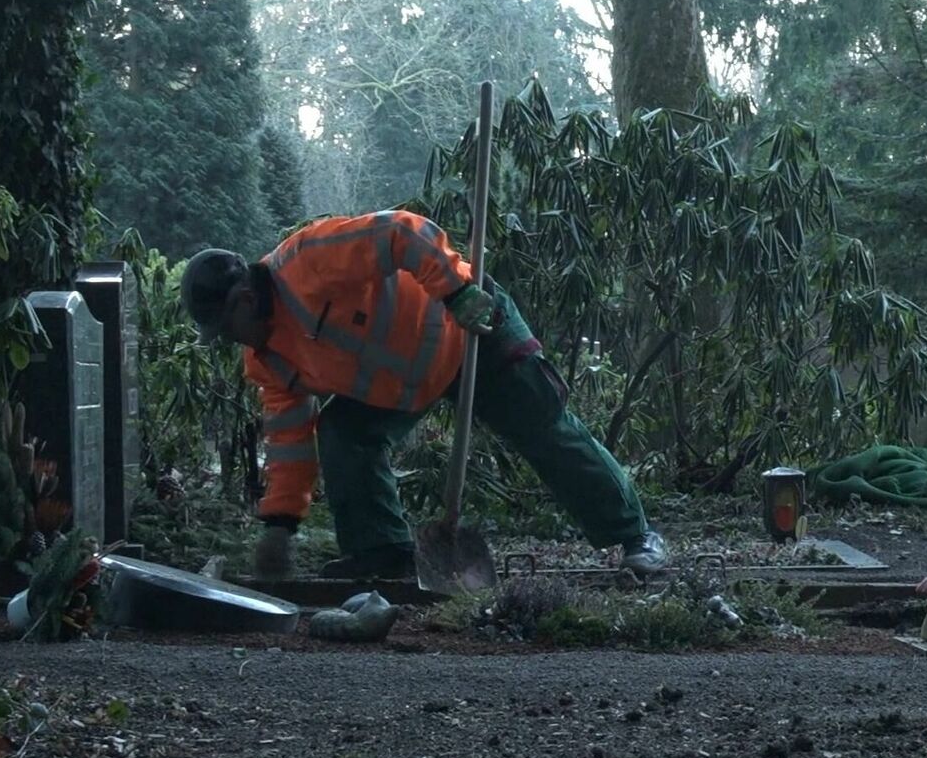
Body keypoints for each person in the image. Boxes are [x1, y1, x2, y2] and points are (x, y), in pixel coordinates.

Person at [177, 209, 667, 580]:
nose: (228, 340)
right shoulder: (265, 360)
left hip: (465, 325)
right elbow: (289, 444)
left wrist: (456, 292)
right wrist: (280, 523)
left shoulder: (307, 260)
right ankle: (382, 557)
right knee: (344, 433)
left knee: (542, 426)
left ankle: (634, 536)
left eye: (225, 329)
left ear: (243, 300)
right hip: (402, 386)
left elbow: (402, 231)